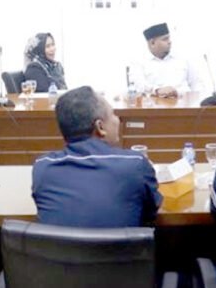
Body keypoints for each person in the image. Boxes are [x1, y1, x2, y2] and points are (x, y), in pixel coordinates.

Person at [32, 85, 162, 226]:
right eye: (113, 114)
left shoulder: (43, 167)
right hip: (121, 241)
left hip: (58, 242)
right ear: (100, 127)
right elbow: (150, 212)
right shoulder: (135, 164)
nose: (118, 119)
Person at [128, 22, 204, 98]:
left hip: (183, 102)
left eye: (169, 38)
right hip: (154, 103)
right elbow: (138, 85)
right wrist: (157, 90)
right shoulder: (138, 62)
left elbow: (197, 84)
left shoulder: (183, 58)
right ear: (152, 43)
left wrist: (198, 100)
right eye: (165, 39)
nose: (169, 42)